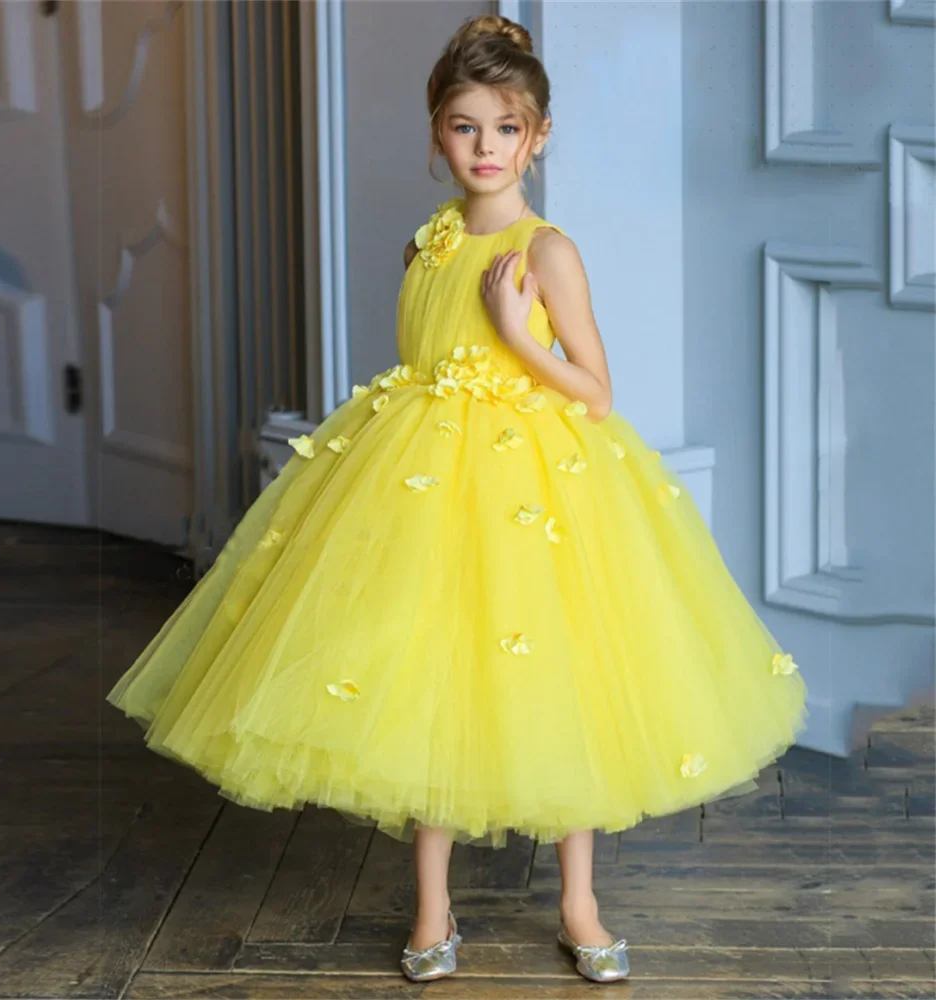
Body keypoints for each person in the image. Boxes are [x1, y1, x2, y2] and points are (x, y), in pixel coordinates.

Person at [106, 13, 809, 986]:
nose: (485, 148)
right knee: (427, 681)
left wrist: (519, 338)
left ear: (540, 135)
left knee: (565, 685)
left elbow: (597, 392)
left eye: (506, 128)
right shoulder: (426, 243)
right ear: (436, 134)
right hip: (424, 483)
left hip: (539, 486)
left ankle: (578, 903)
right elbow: (424, 354)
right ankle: (431, 906)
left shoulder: (545, 250)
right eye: (464, 126)